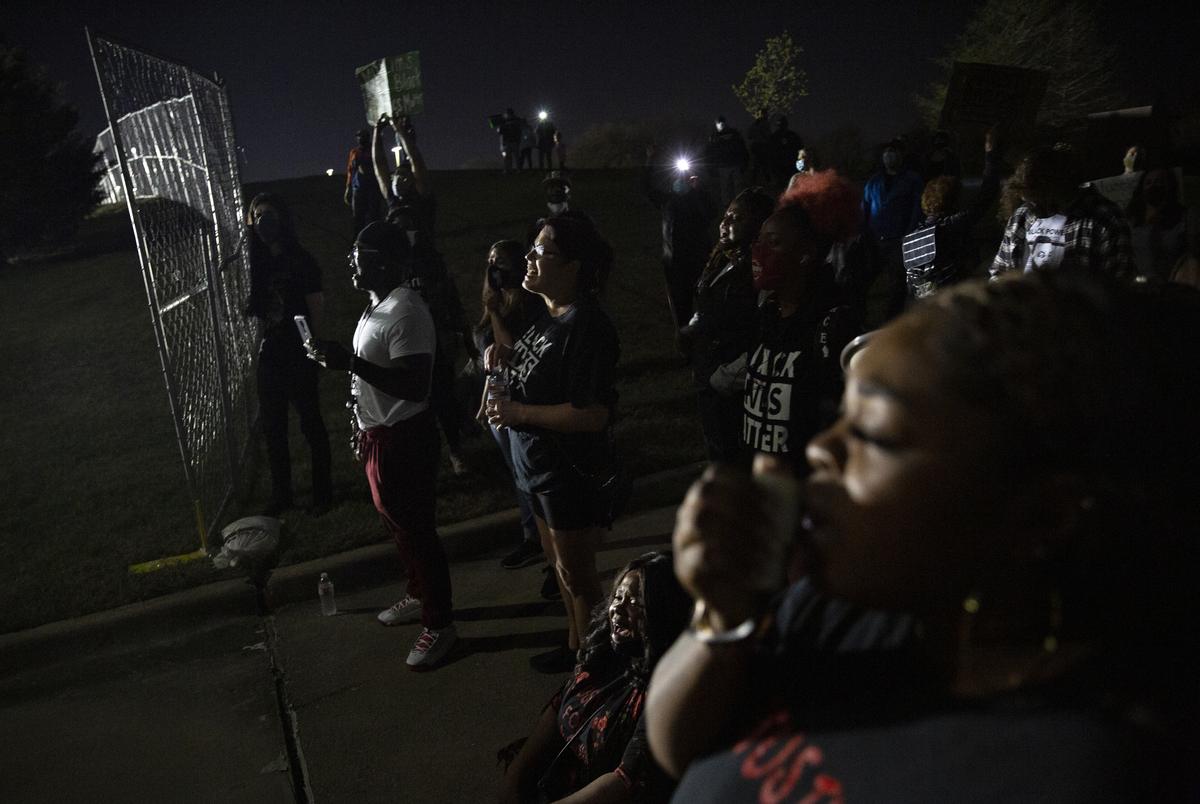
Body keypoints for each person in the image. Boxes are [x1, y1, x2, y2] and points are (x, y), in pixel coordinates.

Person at [646, 271, 1200, 801]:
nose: (820, 449)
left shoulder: (1080, 772)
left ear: (1042, 516)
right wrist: (722, 617)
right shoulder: (844, 609)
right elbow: (682, 752)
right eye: (840, 416)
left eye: (875, 433)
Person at [306, 222, 456, 669]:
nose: (352, 260)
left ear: (388, 261)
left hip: (405, 438)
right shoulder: (377, 306)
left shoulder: (406, 311)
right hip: (379, 436)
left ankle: (440, 624)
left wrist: (348, 362)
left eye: (362, 253)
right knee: (398, 528)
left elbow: (414, 384)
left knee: (417, 531)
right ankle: (417, 592)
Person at [485, 216, 621, 674]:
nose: (529, 259)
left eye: (542, 253)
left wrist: (520, 415)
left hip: (567, 473)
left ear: (574, 267)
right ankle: (574, 645)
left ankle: (598, 670)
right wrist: (503, 356)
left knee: (580, 578)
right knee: (560, 571)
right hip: (538, 471)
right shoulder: (550, 314)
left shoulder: (588, 325)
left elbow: (592, 413)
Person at [498, 551, 692, 804]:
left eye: (634, 602)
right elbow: (555, 717)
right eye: (618, 596)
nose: (618, 608)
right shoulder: (604, 654)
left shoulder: (667, 692)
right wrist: (514, 785)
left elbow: (624, 782)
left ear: (662, 611)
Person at [743, 171, 861, 477]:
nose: (759, 251)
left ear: (805, 256)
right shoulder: (768, 313)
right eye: (759, 240)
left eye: (774, 243)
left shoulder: (834, 324)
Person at [243, 193, 333, 517]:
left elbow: (316, 305)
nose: (264, 220)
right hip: (271, 355)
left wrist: (315, 348)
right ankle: (283, 495)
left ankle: (323, 493)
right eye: (257, 214)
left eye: (270, 213)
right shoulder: (256, 265)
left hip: (299, 352)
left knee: (311, 423)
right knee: (273, 428)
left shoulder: (301, 260)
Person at [679, 188, 774, 466]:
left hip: (733, 384)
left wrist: (729, 375)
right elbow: (708, 303)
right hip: (709, 374)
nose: (725, 223)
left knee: (735, 457)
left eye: (736, 218)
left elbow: (765, 327)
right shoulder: (725, 259)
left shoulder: (760, 269)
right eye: (726, 215)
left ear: (759, 224)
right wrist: (692, 327)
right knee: (717, 450)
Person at [472, 240, 546, 571]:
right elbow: (490, 362)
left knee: (526, 473)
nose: (494, 267)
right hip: (498, 397)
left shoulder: (525, 305)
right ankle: (534, 535)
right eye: (490, 260)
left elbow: (508, 350)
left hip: (520, 399)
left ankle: (539, 538)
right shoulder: (495, 303)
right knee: (516, 473)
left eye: (501, 261)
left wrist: (495, 311)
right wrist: (483, 400)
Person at [991, 144, 1134, 279]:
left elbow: (1119, 279)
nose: (1031, 204)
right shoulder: (1023, 215)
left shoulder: (1105, 216)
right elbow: (1000, 270)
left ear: (1056, 185)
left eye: (1036, 196)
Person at [902, 128, 1002, 300]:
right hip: (956, 305)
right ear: (954, 200)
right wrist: (991, 156)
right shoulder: (952, 226)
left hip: (925, 310)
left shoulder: (912, 236)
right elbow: (987, 195)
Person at [643, 145, 718, 333]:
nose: (681, 180)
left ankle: (705, 338)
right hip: (675, 263)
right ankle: (685, 342)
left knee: (704, 303)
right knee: (680, 307)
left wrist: (698, 190)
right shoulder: (667, 201)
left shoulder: (698, 198)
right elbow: (646, 187)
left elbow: (711, 212)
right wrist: (650, 161)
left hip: (698, 260)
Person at [861, 137, 924, 326]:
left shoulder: (912, 180)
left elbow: (917, 209)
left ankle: (892, 322)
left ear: (902, 155)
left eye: (894, 151)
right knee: (864, 280)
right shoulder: (873, 182)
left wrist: (909, 234)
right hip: (875, 240)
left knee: (897, 284)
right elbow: (864, 208)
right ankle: (860, 317)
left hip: (899, 240)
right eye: (886, 151)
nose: (889, 155)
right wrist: (863, 234)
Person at [1126, 166, 1197, 282]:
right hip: (1141, 289)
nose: (1154, 186)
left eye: (1159, 182)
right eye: (1149, 183)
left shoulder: (1185, 217)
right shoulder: (1132, 221)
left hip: (1175, 287)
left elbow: (1193, 255)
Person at [703, 116, 749, 209]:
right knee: (737, 186)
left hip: (724, 165)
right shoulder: (734, 133)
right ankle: (738, 205)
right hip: (734, 163)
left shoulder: (714, 137)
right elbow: (742, 148)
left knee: (725, 188)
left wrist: (710, 167)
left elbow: (709, 153)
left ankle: (728, 206)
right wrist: (745, 161)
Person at [344, 127, 382, 238]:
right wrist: (348, 187)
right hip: (358, 187)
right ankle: (358, 239)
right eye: (359, 136)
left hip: (372, 186)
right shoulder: (354, 152)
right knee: (358, 216)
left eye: (363, 136)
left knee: (374, 214)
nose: (361, 138)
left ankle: (375, 238)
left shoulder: (373, 149)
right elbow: (350, 170)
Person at [767, 116, 803, 189]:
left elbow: (800, 149)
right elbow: (770, 152)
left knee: (792, 184)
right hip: (781, 166)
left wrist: (800, 163)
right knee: (783, 185)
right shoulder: (775, 137)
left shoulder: (792, 135)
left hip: (790, 164)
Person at [499, 108, 525, 174]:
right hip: (511, 141)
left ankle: (509, 170)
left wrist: (502, 144)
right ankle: (512, 170)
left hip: (511, 141)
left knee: (510, 157)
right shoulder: (516, 120)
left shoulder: (505, 122)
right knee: (512, 157)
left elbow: (500, 132)